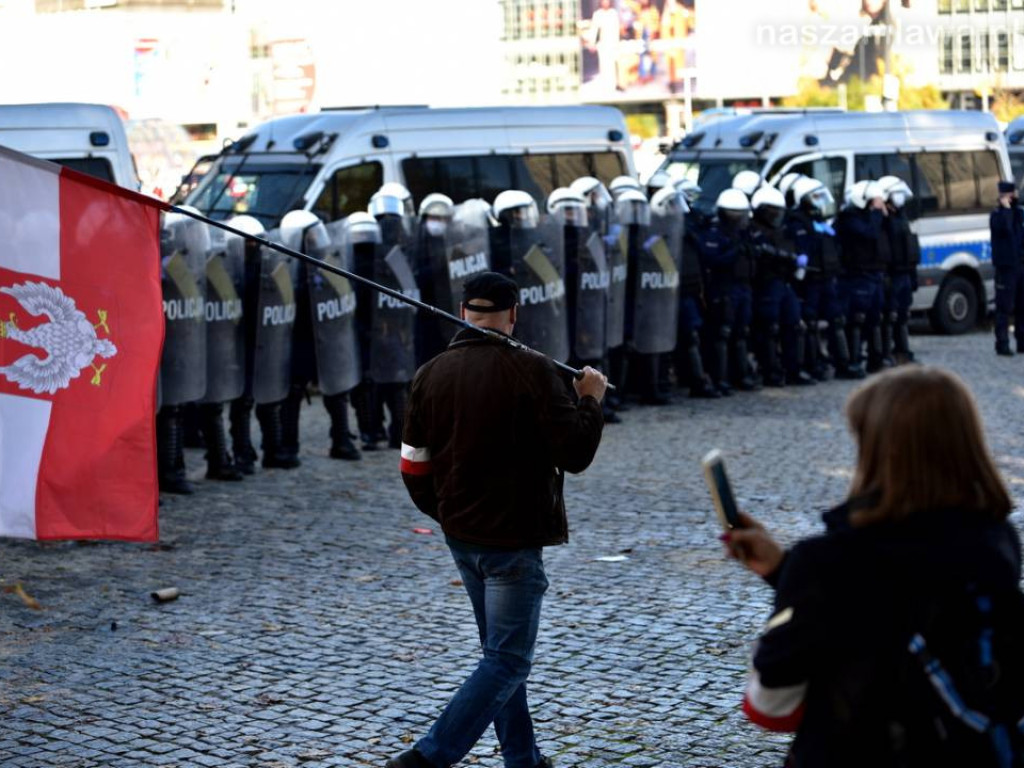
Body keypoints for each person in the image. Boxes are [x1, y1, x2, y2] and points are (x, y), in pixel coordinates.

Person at [723, 365, 1021, 768]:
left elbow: (770, 704)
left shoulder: (828, 562)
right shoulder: (997, 539)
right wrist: (784, 569)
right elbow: (907, 594)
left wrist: (797, 581)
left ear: (879, 451)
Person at [387, 271, 606, 768]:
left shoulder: (430, 374)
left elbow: (413, 466)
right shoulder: (533, 369)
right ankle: (425, 759)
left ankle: (523, 759)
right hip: (512, 539)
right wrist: (590, 398)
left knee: (499, 657)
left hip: (461, 536)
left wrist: (447, 514)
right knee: (507, 660)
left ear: (464, 311)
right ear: (514, 314)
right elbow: (575, 453)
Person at [878, 175, 920, 364]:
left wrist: (913, 275)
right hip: (891, 274)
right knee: (890, 315)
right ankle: (887, 353)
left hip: (904, 272)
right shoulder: (882, 220)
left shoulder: (901, 216)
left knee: (903, 315)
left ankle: (903, 350)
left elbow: (908, 247)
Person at [990, 180, 1024, 357]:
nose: (1015, 196)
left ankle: (1022, 341)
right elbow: (1005, 228)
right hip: (1005, 268)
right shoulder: (998, 215)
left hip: (1020, 264)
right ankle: (1002, 343)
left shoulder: (1018, 213)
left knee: (1022, 305)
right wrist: (1006, 209)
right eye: (1012, 194)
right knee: (1004, 307)